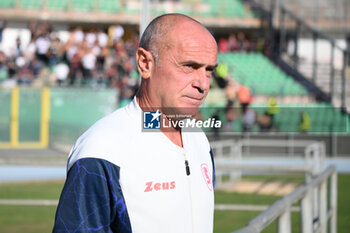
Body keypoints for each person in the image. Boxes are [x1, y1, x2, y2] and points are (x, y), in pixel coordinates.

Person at [53, 13, 218, 233]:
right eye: (189, 66)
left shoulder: (198, 139)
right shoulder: (101, 151)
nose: (203, 84)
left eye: (209, 70)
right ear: (145, 63)